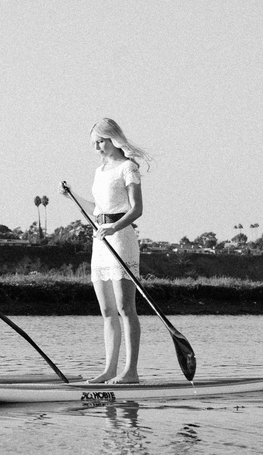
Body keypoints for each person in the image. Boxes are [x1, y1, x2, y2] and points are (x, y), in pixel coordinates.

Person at [59, 118, 152, 384]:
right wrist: (72, 196)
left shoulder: (128, 168)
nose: (97, 147)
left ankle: (130, 372)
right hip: (100, 242)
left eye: (100, 141)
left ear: (112, 138)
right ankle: (109, 370)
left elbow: (137, 209)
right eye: (94, 143)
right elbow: (97, 210)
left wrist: (114, 228)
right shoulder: (100, 171)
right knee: (107, 310)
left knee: (125, 307)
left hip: (121, 239)